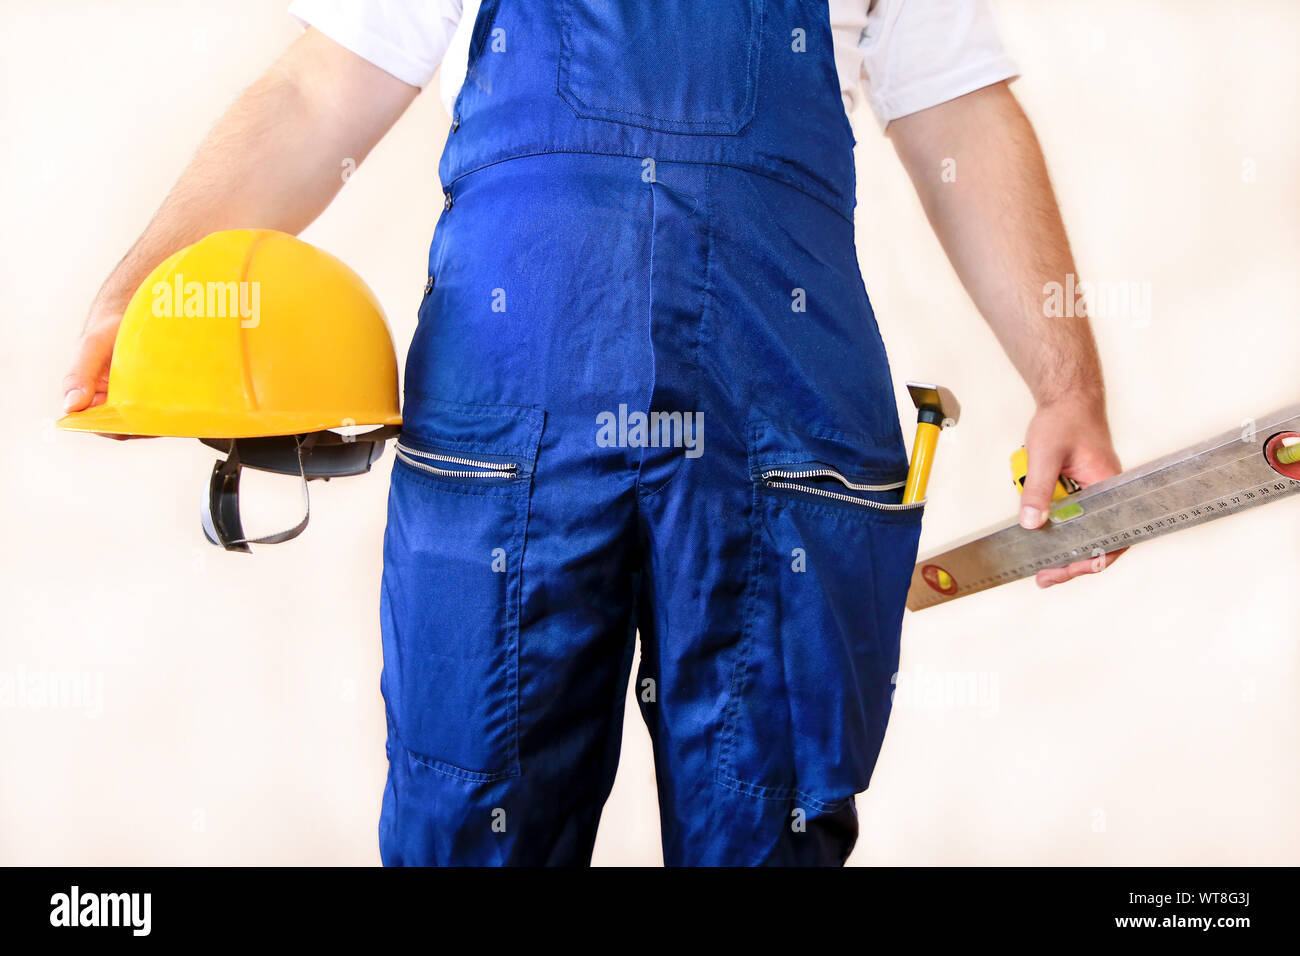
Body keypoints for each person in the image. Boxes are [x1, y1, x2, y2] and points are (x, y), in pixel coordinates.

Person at [62, 0, 1123, 866]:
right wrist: (141, 294)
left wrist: (1065, 380)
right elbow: (318, 89)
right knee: (470, 814)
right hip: (505, 417)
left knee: (772, 821)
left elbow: (960, 115)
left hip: (782, 423)